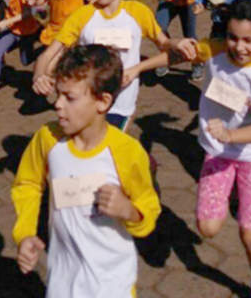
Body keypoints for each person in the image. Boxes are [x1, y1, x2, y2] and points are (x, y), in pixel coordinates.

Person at [14, 45, 161, 297]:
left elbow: (148, 207)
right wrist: (25, 234)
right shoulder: (47, 139)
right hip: (62, 279)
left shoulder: (126, 151)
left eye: (69, 98)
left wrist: (128, 210)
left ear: (102, 101)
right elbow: (27, 185)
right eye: (58, 95)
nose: (58, 104)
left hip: (113, 282)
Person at [32, 0, 197, 130]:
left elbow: (166, 47)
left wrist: (138, 68)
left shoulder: (137, 12)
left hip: (121, 105)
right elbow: (46, 56)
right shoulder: (82, 15)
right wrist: (39, 76)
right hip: (86, 103)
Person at [191, 0, 251, 298]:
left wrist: (230, 135)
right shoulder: (217, 50)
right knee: (208, 229)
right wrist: (141, 67)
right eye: (233, 37)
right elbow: (179, 55)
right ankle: (239, 197)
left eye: (248, 40)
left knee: (249, 233)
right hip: (218, 153)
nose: (239, 47)